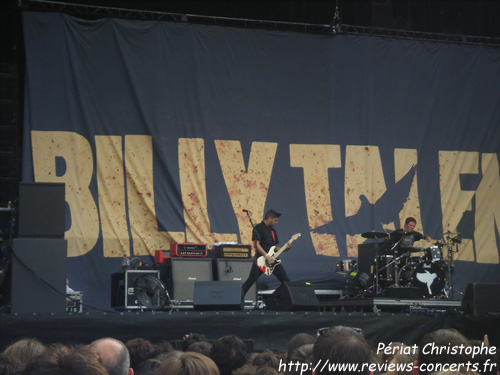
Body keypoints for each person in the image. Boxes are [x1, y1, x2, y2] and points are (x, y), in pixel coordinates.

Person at [242, 210, 292, 298]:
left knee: (286, 281)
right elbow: (256, 245)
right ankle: (237, 302)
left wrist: (285, 249)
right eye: (275, 220)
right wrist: (267, 256)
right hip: (261, 260)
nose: (277, 222)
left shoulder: (273, 231)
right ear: (270, 219)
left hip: (272, 261)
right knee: (250, 281)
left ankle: (289, 302)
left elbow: (275, 248)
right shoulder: (258, 228)